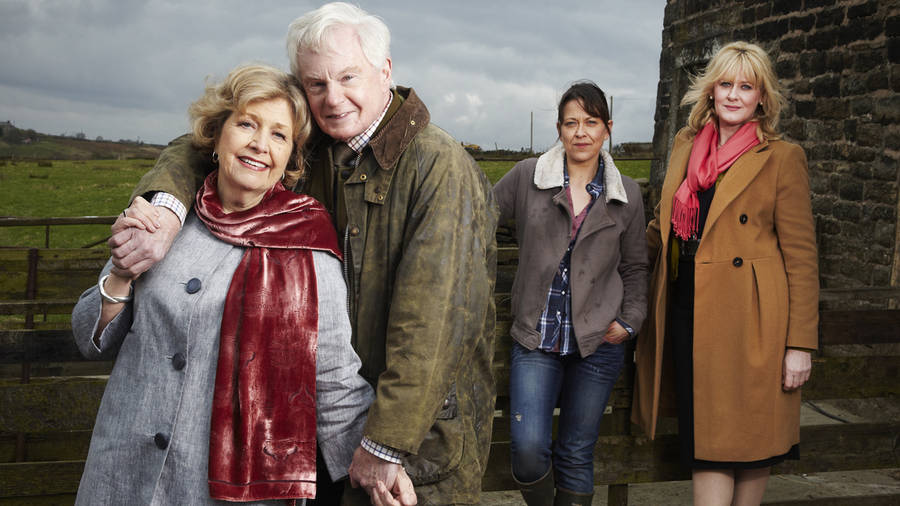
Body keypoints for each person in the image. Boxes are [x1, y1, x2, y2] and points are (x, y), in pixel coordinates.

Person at [109, 3, 498, 504]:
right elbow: (202, 144)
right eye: (316, 84)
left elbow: (435, 325)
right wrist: (164, 209)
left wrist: (385, 442)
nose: (333, 98)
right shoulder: (314, 144)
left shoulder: (439, 168)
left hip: (414, 440)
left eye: (348, 77)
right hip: (317, 431)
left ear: (385, 71)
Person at [70, 63, 405, 505]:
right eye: (246, 123)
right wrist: (121, 273)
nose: (259, 145)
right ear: (217, 133)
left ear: (292, 158)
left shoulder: (308, 246)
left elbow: (332, 377)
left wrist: (379, 467)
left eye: (279, 135)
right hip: (123, 473)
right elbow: (90, 341)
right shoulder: (167, 220)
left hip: (219, 489)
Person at [632, 41, 819, 506]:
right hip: (688, 308)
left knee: (752, 443)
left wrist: (799, 345)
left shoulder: (781, 157)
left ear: (762, 97)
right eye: (725, 84)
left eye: (746, 86)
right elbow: (662, 225)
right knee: (707, 443)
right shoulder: (685, 144)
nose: (734, 95)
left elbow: (801, 256)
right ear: (710, 90)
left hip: (753, 319)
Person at [492, 81, 648, 505]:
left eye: (591, 122)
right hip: (535, 339)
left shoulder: (627, 194)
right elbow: (477, 218)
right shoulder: (528, 176)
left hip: (598, 343)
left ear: (607, 128)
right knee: (526, 451)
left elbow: (635, 266)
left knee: (577, 453)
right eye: (571, 122)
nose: (581, 132)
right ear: (559, 129)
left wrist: (630, 320)